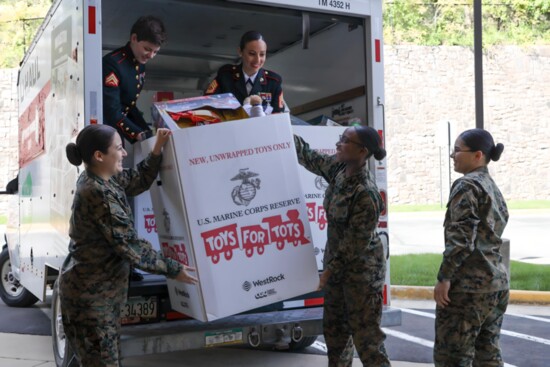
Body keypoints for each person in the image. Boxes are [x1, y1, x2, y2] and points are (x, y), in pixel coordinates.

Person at [59, 124, 197, 366]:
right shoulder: (97, 192)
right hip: (92, 300)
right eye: (119, 148)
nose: (124, 153)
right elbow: (130, 246)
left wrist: (156, 150)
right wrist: (175, 269)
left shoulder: (102, 178)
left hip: (99, 296)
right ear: (99, 156)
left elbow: (138, 179)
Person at [294, 126, 391, 367]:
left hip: (361, 277)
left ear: (362, 150)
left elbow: (354, 244)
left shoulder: (366, 193)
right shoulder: (339, 169)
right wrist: (276, 122)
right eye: (340, 139)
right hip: (337, 273)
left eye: (345, 141)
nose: (339, 144)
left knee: (368, 344)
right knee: (336, 340)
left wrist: (327, 272)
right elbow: (307, 156)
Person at [433, 128, 509, 367]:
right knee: (487, 356)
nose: (452, 155)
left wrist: (445, 277)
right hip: (495, 284)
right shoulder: (491, 186)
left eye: (457, 150)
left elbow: (462, 239)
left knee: (452, 358)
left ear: (477, 155)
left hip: (468, 289)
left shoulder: (466, 185)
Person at [103, 15, 166, 144]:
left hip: (117, 131)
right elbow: (111, 110)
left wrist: (147, 132)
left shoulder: (140, 64)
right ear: (134, 38)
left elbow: (129, 106)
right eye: (147, 49)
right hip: (106, 133)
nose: (151, 56)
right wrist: (138, 134)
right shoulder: (113, 63)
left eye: (155, 52)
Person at [204, 30, 285, 113]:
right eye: (252, 54)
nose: (257, 60)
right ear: (240, 52)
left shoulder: (273, 82)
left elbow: (279, 115)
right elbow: (207, 104)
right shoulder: (225, 76)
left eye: (262, 54)